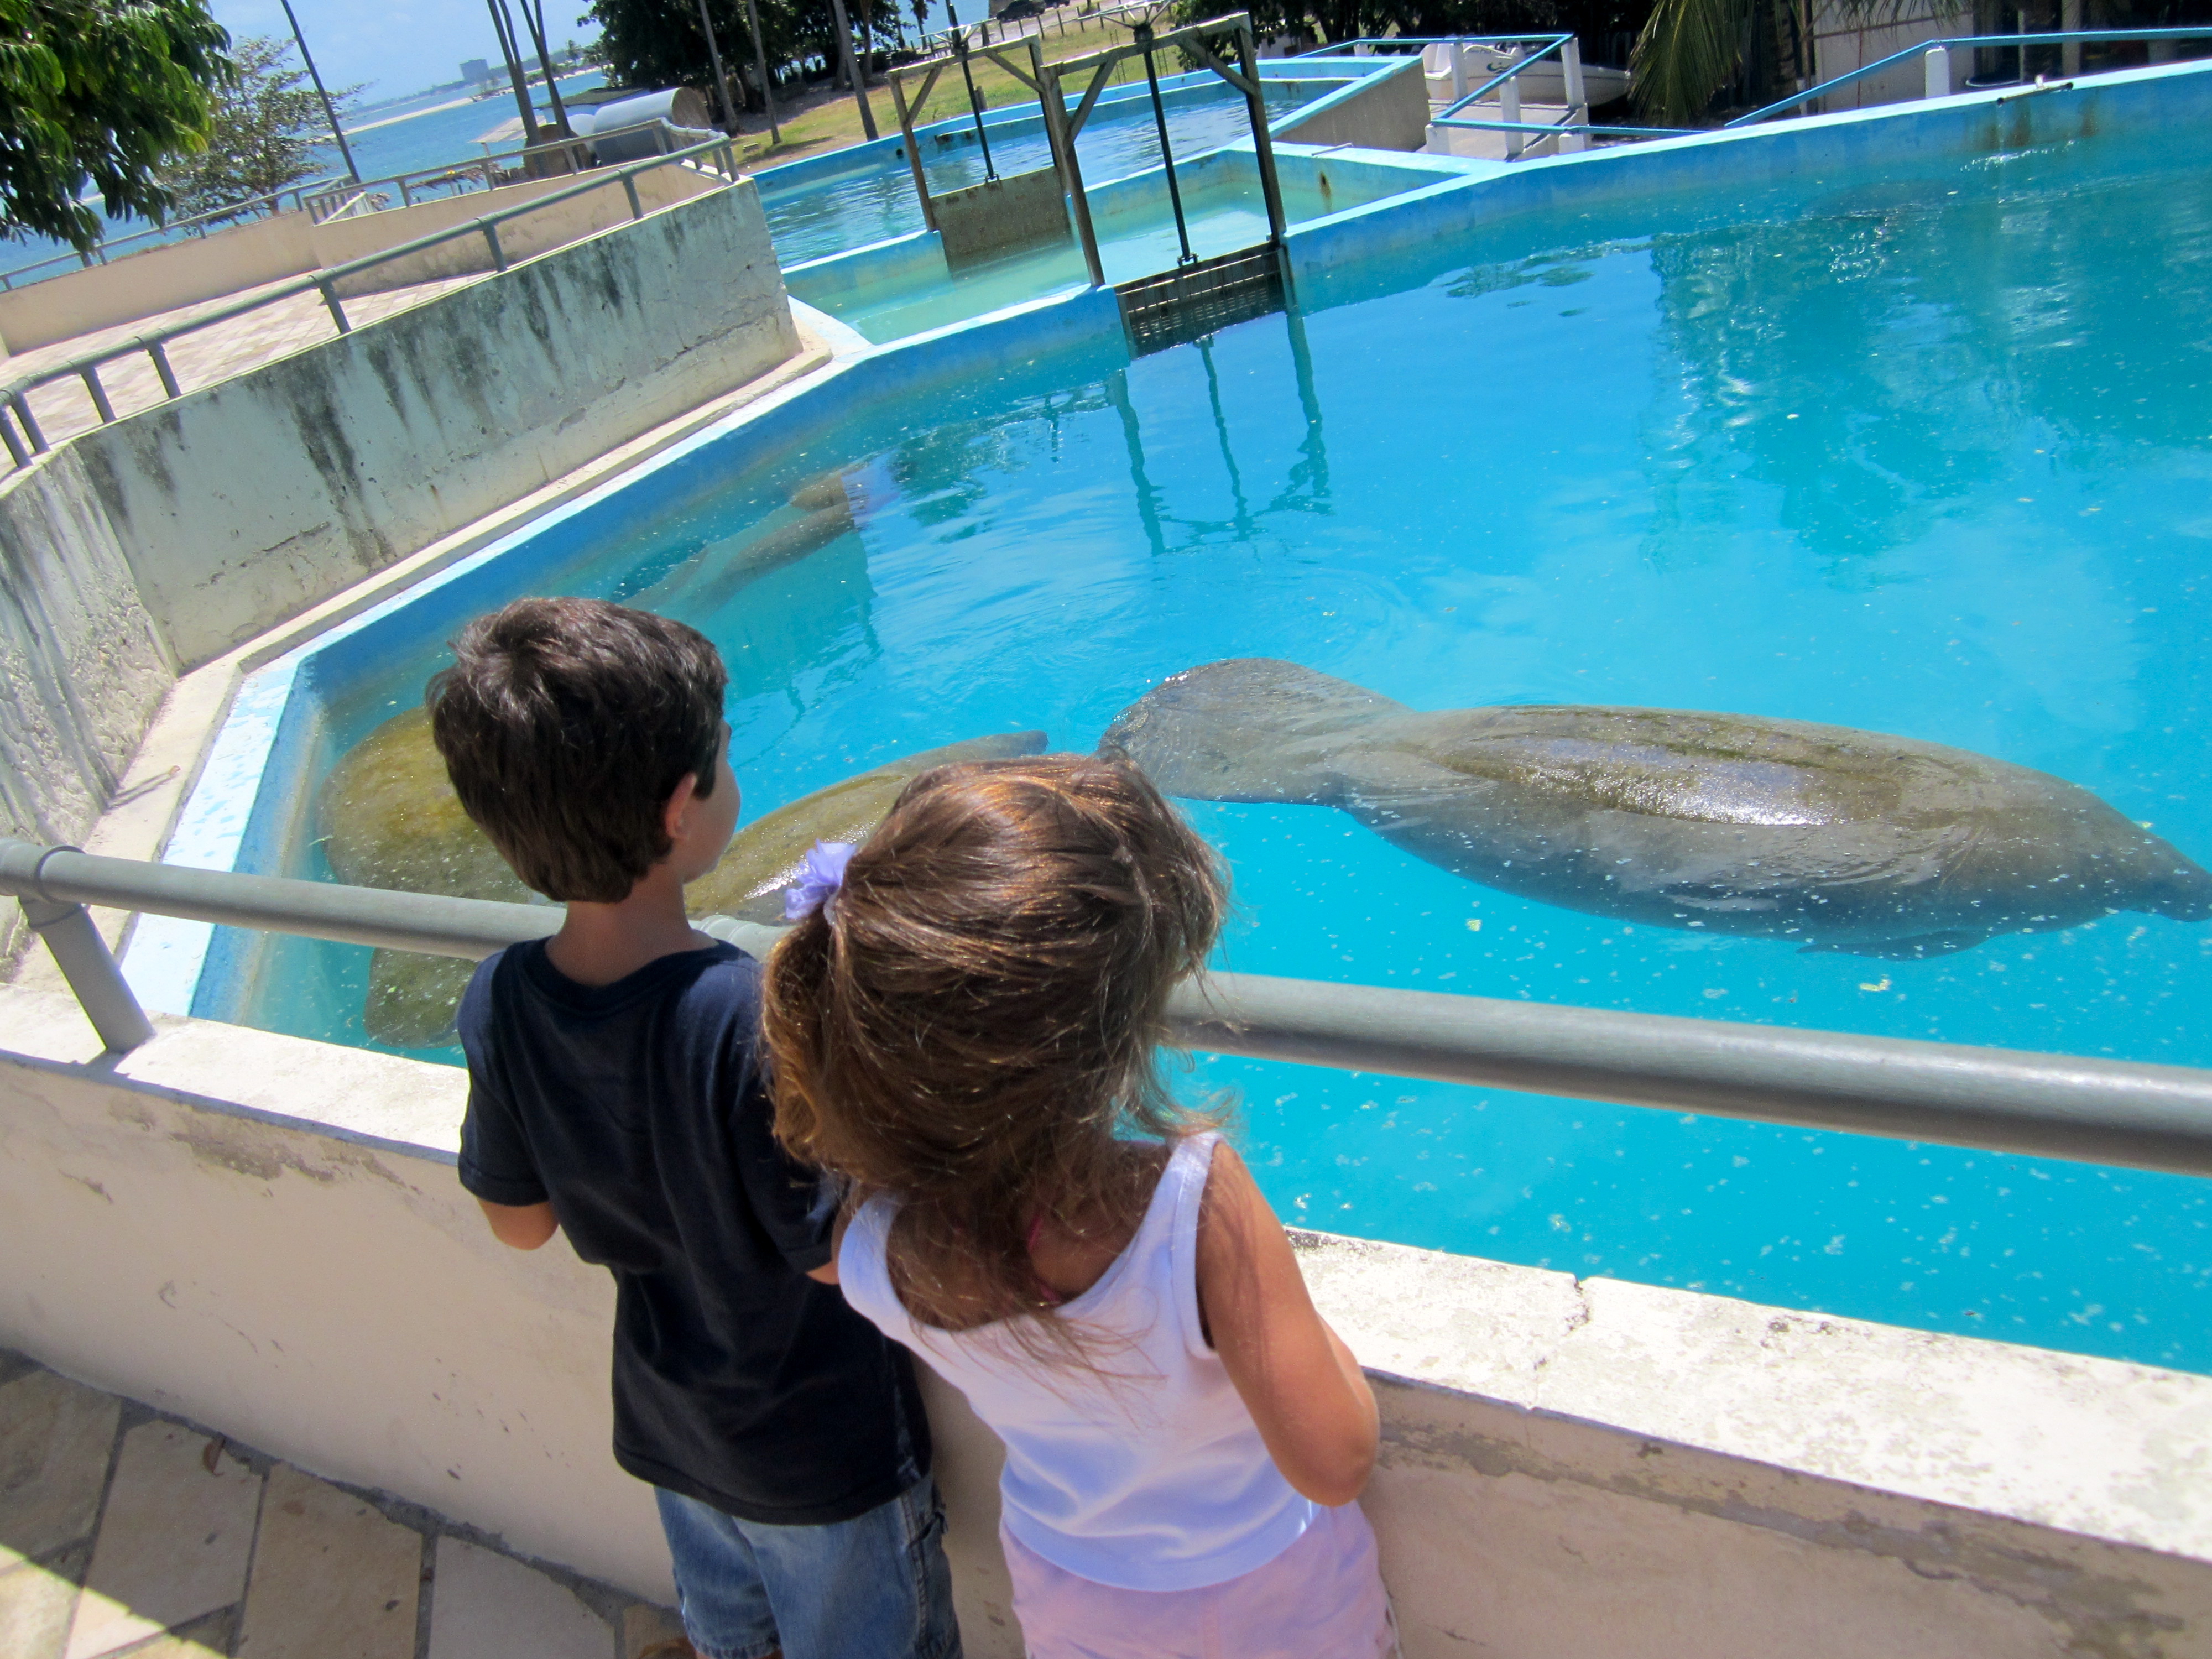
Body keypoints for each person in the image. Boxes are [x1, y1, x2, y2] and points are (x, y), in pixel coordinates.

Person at [760, 754, 1395, 1659]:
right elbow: (1334, 1462)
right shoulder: (1196, 1204)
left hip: (1072, 1596)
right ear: (1114, 1033)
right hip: (1273, 1601)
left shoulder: (870, 1252)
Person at [427, 596, 961, 1659]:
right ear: (682, 808)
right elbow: (832, 1258)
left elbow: (519, 1223)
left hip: (672, 1432)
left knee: (733, 1642)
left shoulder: (502, 995)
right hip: (818, 1455)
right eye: (724, 753)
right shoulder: (748, 1014)